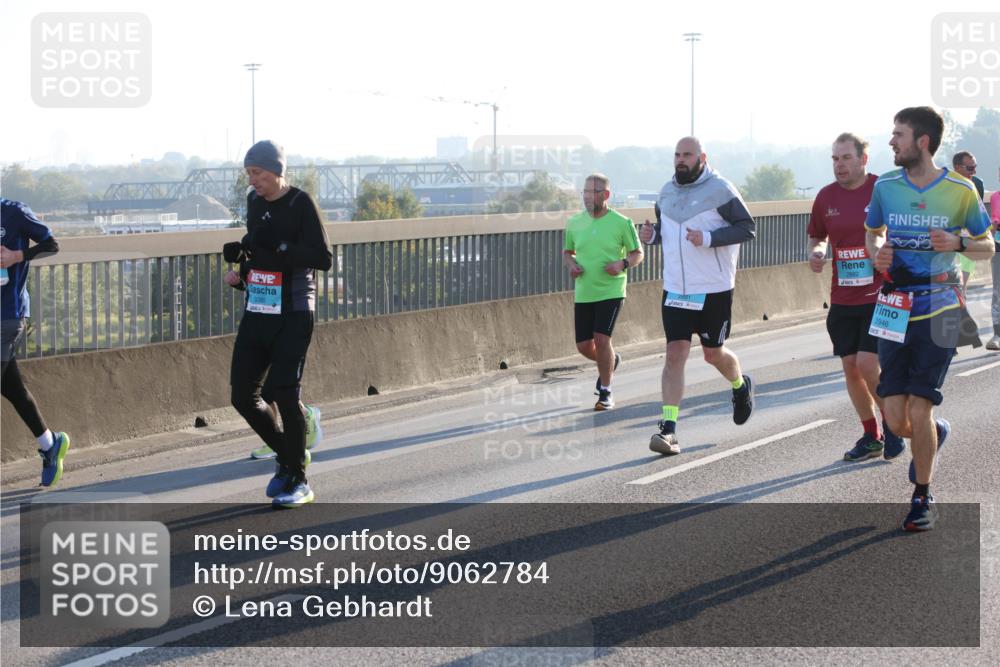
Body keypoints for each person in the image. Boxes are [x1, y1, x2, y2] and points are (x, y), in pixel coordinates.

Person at [865, 107, 993, 531]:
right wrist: (876, 251)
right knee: (896, 419)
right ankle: (935, 432)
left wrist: (958, 241)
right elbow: (874, 232)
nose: (891, 142)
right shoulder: (885, 186)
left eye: (898, 134)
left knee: (919, 407)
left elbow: (986, 245)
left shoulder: (960, 189)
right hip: (893, 303)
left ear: (921, 141)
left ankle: (922, 497)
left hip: (943, 305)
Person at [224, 140, 332, 508]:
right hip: (259, 308)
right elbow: (258, 249)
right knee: (242, 395)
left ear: (277, 171)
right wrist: (242, 267)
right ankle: (289, 458)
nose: (252, 181)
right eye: (249, 174)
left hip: (295, 309)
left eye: (258, 173)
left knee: (284, 392)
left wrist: (283, 249)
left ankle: (299, 479)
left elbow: (323, 257)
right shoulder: (255, 204)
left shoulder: (301, 203)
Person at [639, 137, 756, 455]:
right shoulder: (665, 192)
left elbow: (747, 228)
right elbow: (667, 232)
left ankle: (739, 385)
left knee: (712, 353)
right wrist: (651, 237)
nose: (680, 160)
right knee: (675, 354)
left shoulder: (721, 189)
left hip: (713, 288)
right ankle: (668, 430)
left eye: (687, 155)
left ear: (702, 157)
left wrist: (708, 238)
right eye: (677, 154)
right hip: (676, 288)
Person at [807, 133, 906, 462]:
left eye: (846, 158)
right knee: (851, 368)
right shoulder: (825, 197)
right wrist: (818, 253)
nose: (839, 165)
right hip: (843, 297)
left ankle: (893, 424)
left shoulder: (884, 190)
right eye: (835, 159)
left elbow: (905, 230)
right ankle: (871, 434)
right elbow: (817, 237)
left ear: (864, 159)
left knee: (867, 363)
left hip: (882, 293)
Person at [1, 199, 69, 487]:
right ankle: (49, 443)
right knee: (11, 387)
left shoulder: (13, 212)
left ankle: (50, 444)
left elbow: (52, 244)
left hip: (8, 318)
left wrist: (18, 256)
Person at [562, 173, 643, 410]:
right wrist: (571, 265)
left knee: (601, 338)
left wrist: (622, 264)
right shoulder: (574, 222)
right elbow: (568, 252)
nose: (587, 197)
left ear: (605, 195)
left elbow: (638, 253)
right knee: (584, 346)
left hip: (612, 289)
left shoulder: (621, 222)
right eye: (585, 192)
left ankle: (606, 392)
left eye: (592, 192)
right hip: (584, 290)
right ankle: (611, 361)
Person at [952, 151, 984, 295]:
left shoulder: (978, 183)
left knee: (966, 266)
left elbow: (980, 209)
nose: (974, 171)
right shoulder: (944, 183)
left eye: (975, 167)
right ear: (957, 167)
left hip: (969, 232)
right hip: (950, 232)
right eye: (970, 168)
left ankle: (961, 294)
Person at [989, 167, 1000, 351]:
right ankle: (997, 334)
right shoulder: (996, 197)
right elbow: (994, 223)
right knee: (998, 289)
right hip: (998, 247)